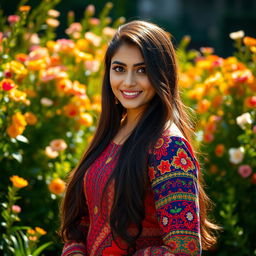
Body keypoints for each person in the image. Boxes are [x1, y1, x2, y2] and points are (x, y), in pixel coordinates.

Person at [59, 20, 218, 256]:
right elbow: (85, 220)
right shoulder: (112, 133)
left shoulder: (168, 147)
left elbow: (184, 250)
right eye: (119, 68)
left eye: (142, 70)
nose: (129, 81)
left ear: (162, 75)